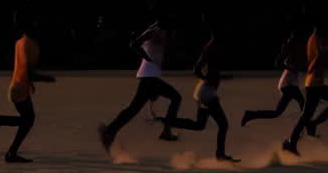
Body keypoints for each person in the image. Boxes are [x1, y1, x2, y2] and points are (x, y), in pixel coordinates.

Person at [98, 18, 182, 154]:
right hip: (149, 76)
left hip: (151, 76)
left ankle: (110, 131)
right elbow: (134, 44)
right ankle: (110, 131)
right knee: (175, 97)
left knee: (134, 108)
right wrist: (147, 58)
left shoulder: (159, 31)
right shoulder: (154, 31)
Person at [159, 27, 239, 162]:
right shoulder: (211, 48)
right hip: (207, 93)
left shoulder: (213, 47)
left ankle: (168, 121)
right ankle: (220, 155)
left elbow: (208, 70)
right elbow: (196, 69)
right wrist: (208, 80)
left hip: (205, 91)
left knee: (199, 125)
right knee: (223, 124)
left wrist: (218, 77)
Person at [0, 19, 54, 163]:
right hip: (18, 88)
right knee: (28, 120)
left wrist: (32, 82)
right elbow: (25, 69)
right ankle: (1, 125)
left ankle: (11, 151)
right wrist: (44, 78)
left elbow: (25, 68)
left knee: (28, 120)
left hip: (20, 87)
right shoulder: (26, 43)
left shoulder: (23, 42)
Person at [283, 26, 328, 155]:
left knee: (307, 114)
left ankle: (293, 141)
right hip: (313, 84)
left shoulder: (320, 39)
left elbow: (325, 59)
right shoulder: (315, 39)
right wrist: (312, 67)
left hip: (316, 83)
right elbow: (318, 59)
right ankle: (294, 140)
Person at [241, 29, 306, 127]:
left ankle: (250, 114)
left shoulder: (295, 49)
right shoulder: (290, 47)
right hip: (288, 85)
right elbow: (278, 63)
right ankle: (307, 128)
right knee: (303, 106)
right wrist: (292, 68)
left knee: (278, 112)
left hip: (290, 84)